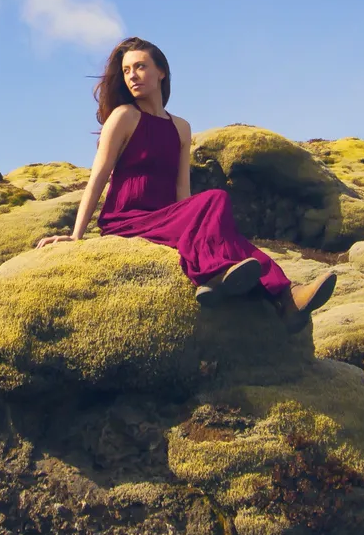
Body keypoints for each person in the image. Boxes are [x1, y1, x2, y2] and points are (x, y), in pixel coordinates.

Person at [35, 36, 336, 333]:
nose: (132, 76)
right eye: (126, 71)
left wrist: (194, 221)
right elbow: (98, 176)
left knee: (226, 232)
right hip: (127, 220)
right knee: (216, 199)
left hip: (167, 216)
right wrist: (76, 235)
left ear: (161, 72)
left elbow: (182, 190)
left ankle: (287, 298)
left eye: (140, 67)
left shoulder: (181, 127)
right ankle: (217, 277)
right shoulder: (124, 116)